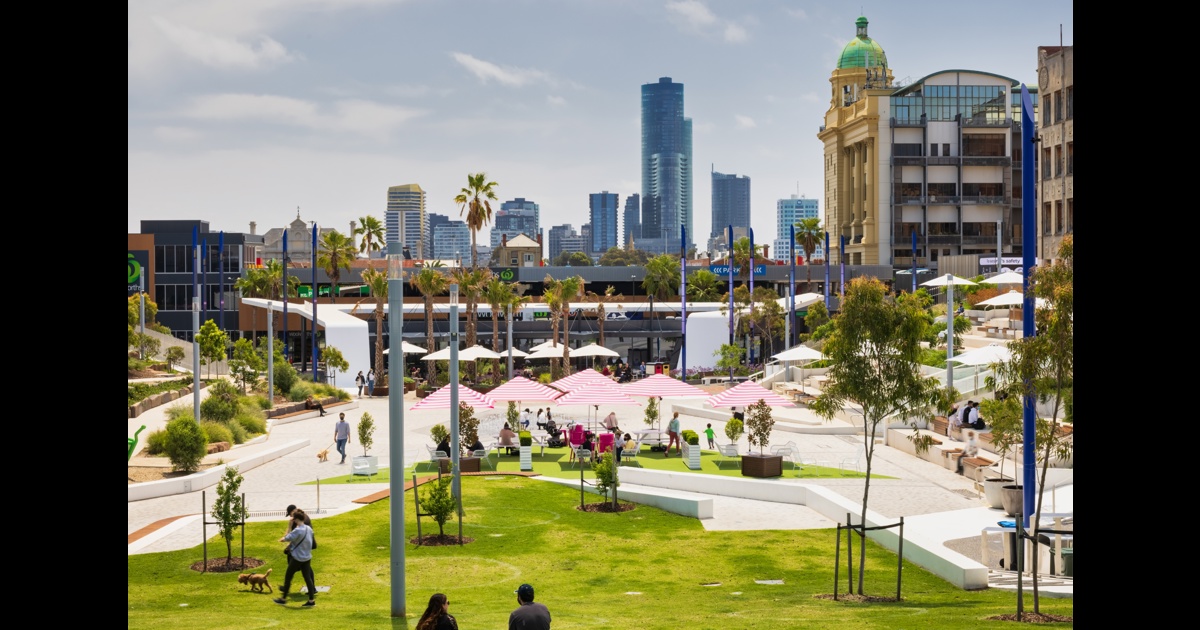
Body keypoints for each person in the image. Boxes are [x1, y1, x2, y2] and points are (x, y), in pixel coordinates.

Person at [274, 508, 316, 607]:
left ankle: (283, 599)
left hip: (297, 558)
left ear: (296, 519)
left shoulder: (297, 530)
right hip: (307, 557)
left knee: (288, 577)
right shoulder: (308, 529)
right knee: (308, 578)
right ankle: (311, 600)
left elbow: (286, 538)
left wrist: (289, 526)